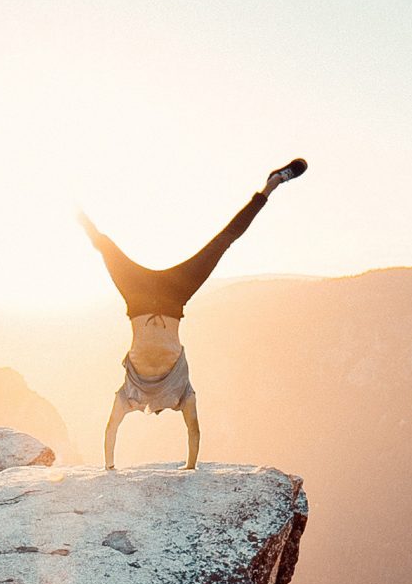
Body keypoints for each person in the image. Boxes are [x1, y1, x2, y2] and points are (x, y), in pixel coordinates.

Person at [80, 159, 307, 471]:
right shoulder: (180, 394)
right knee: (222, 241)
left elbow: (111, 431)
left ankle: (71, 205)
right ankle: (270, 187)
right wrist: (189, 468)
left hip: (139, 296)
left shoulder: (129, 395)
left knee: (103, 245)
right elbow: (193, 432)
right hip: (173, 295)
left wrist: (109, 469)